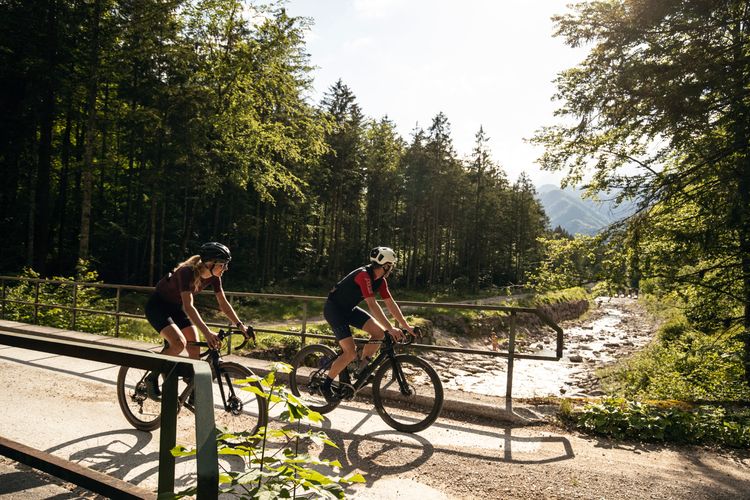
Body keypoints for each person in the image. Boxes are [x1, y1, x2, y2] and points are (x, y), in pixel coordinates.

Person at [143, 241, 252, 399]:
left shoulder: (214, 277)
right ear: (210, 263)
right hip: (158, 307)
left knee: (195, 349)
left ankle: (192, 387)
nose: (226, 269)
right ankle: (151, 377)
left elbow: (223, 304)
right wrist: (207, 332)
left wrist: (240, 325)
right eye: (223, 264)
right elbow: (189, 307)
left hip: (177, 309)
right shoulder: (186, 272)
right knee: (179, 343)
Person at [320, 246, 415, 402]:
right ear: (385, 266)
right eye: (391, 266)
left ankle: (361, 368)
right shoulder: (363, 276)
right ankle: (326, 385)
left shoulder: (380, 281)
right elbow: (372, 304)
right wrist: (390, 328)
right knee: (350, 352)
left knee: (379, 333)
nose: (391, 269)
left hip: (349, 309)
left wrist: (405, 326)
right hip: (334, 310)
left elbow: (390, 303)